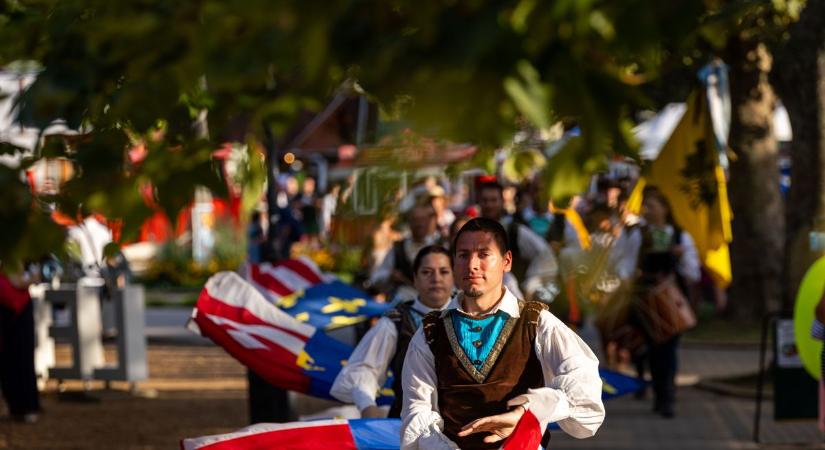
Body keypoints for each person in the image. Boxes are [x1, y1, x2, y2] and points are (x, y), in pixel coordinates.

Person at [400, 218, 604, 449]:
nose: (472, 264)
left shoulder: (537, 322)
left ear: (507, 261)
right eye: (463, 255)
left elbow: (583, 387)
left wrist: (528, 412)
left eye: (484, 254)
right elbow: (417, 411)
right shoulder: (431, 331)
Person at [331, 245, 454, 418]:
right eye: (427, 272)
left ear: (454, 277)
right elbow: (364, 369)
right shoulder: (396, 321)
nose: (436, 279)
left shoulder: (470, 314)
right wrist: (368, 407)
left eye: (444, 272)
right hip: (407, 427)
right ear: (415, 279)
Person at [634, 188, 700, 418]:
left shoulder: (680, 235)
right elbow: (624, 264)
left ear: (665, 209)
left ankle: (667, 394)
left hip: (671, 300)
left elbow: (693, 272)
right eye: (645, 206)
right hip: (644, 300)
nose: (648, 211)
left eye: (652, 205)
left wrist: (679, 256)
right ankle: (658, 389)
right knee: (652, 348)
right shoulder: (637, 234)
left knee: (669, 347)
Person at [476, 181, 558, 302]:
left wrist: (530, 285)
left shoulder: (513, 230)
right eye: (485, 200)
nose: (489, 205)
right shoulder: (470, 230)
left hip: (509, 292)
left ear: (502, 202)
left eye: (493, 200)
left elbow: (544, 253)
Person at [369, 202, 445, 302]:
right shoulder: (398, 248)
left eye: (422, 219)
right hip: (404, 304)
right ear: (409, 222)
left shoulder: (441, 246)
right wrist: (390, 276)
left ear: (430, 221)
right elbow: (376, 277)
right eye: (415, 220)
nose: (419, 224)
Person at [0, 263, 42, 423]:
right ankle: (16, 405)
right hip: (6, 306)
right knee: (9, 357)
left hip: (19, 307)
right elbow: (20, 281)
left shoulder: (25, 258)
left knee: (22, 355)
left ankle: (26, 405)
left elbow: (25, 280)